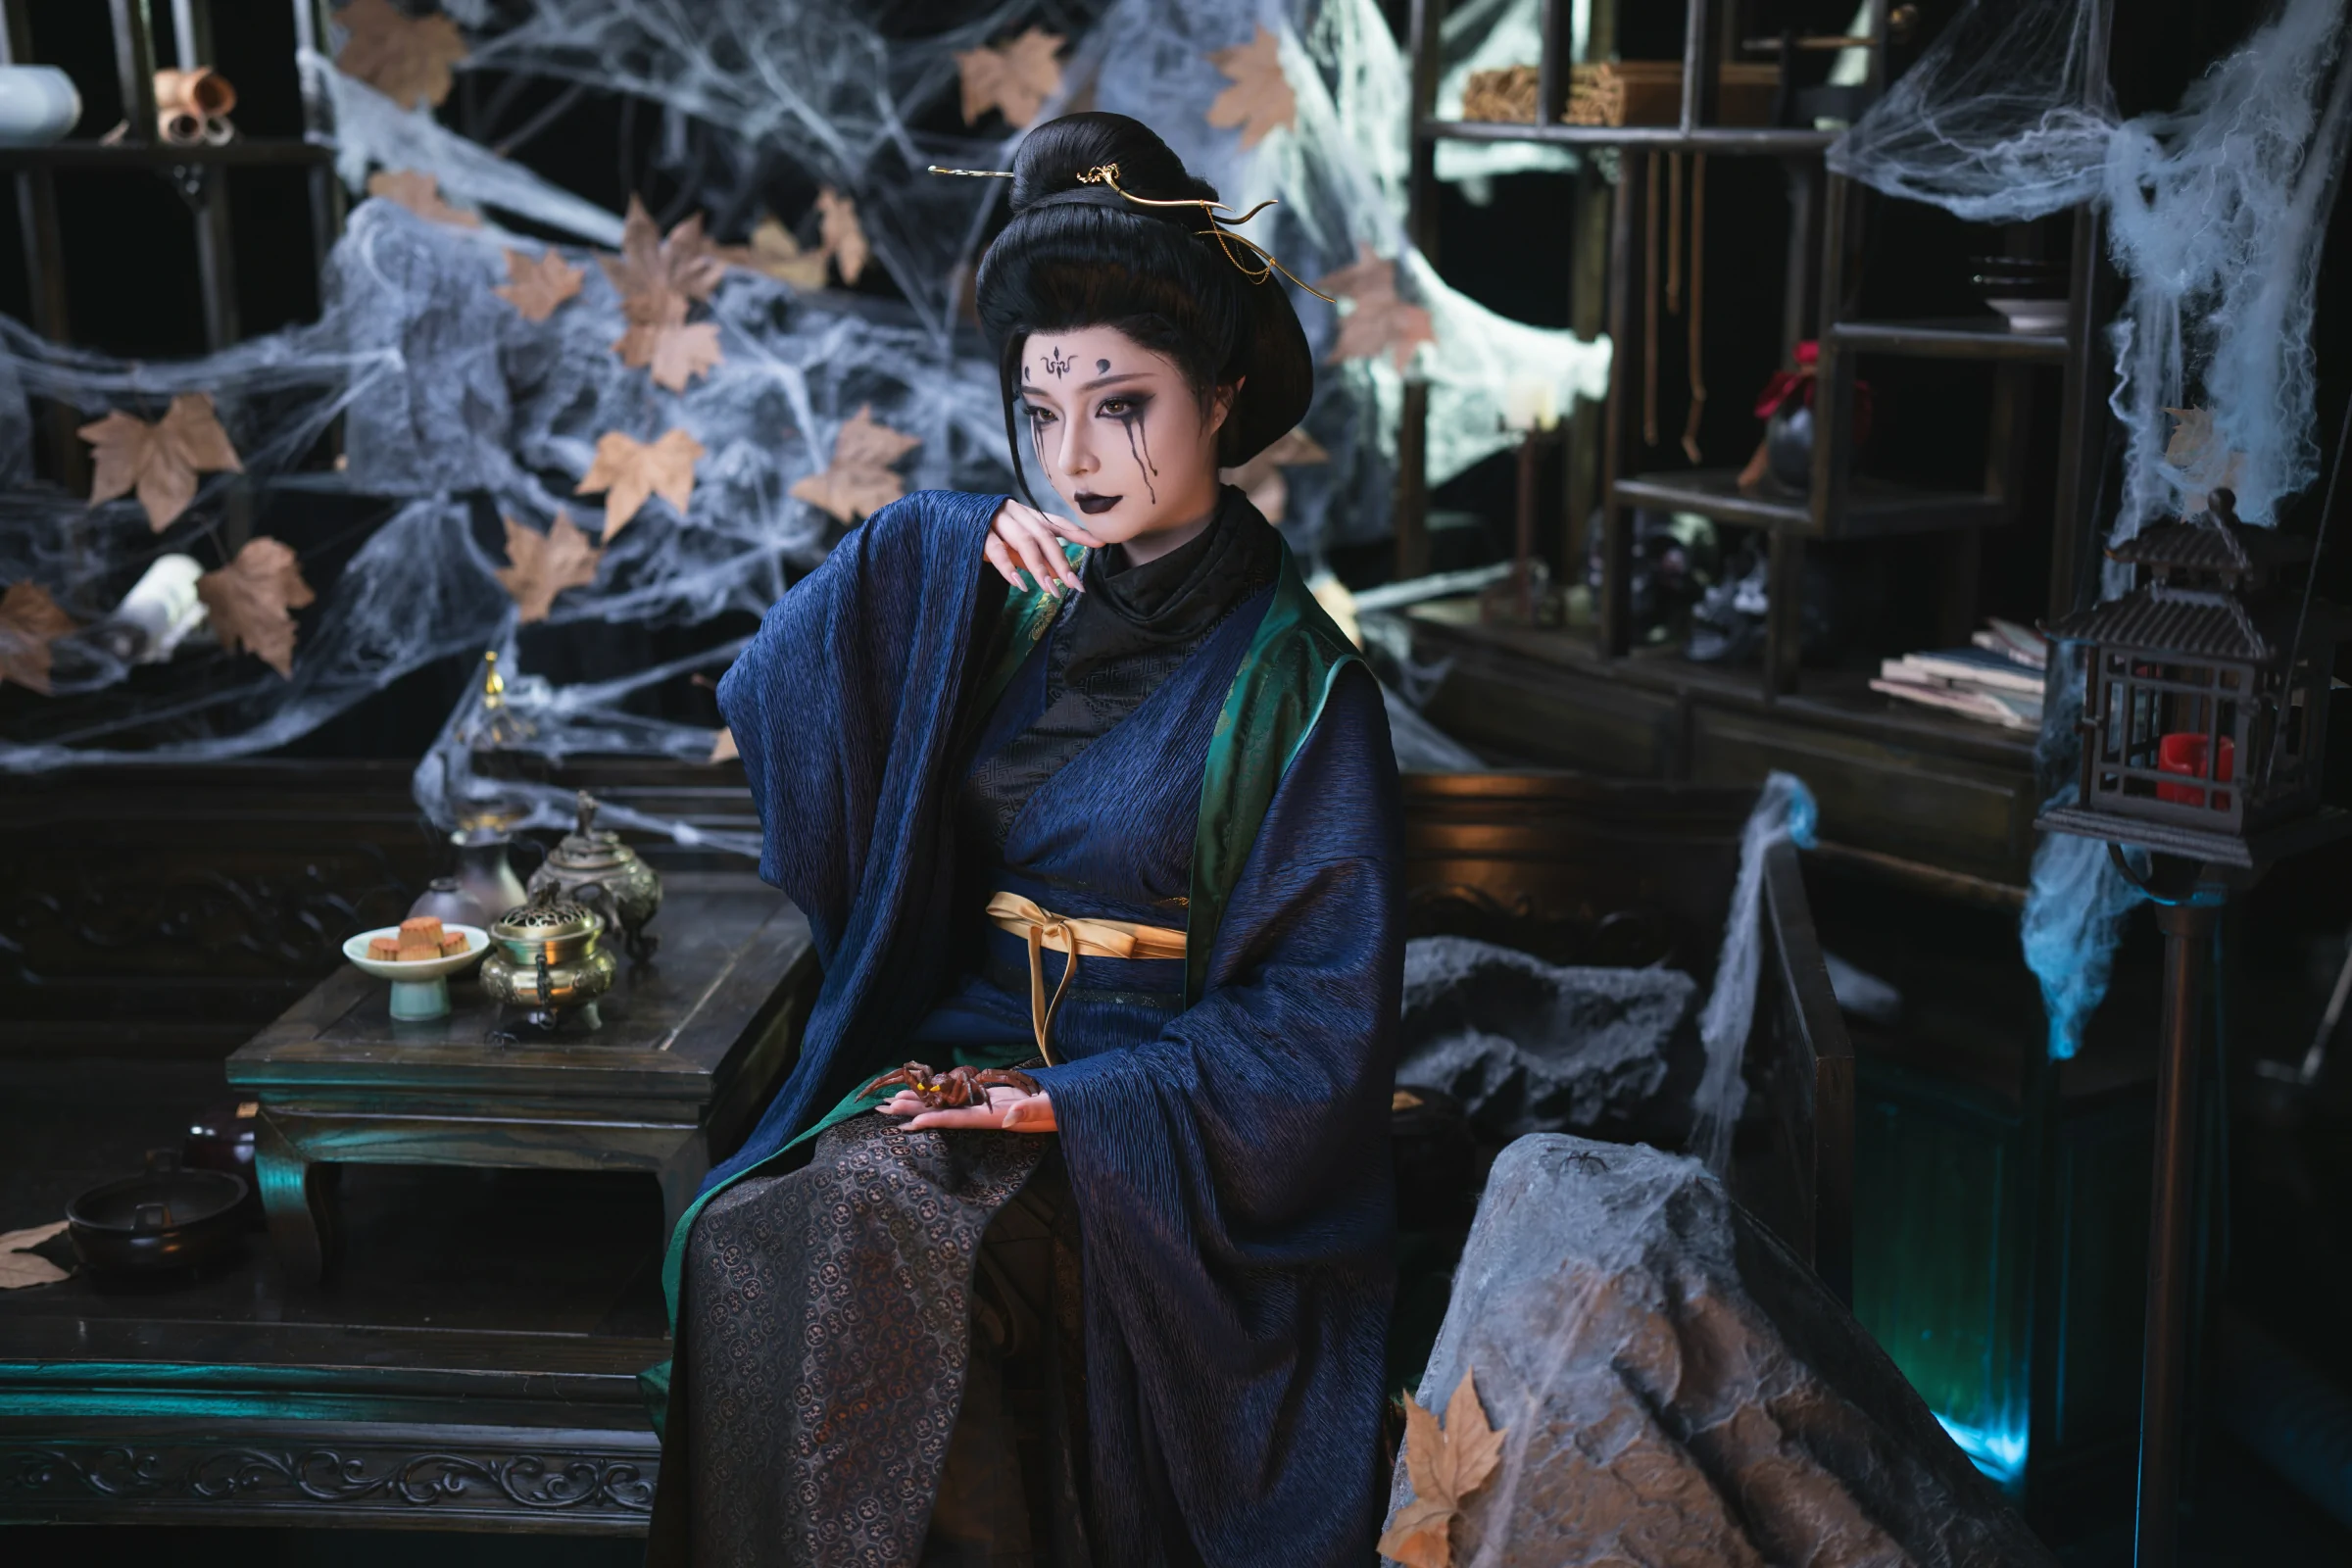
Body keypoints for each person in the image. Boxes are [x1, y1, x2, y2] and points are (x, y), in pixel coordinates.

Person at [645, 112, 1403, 1568]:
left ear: (1221, 398)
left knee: (883, 1242)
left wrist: (1077, 1105)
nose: (1075, 457)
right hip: (958, 1050)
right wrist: (929, 538)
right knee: (749, 1239)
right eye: (1041, 412)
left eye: (1122, 405)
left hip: (1149, 1120)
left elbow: (1320, 1025)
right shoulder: (1010, 597)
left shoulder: (1302, 688)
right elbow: (787, 682)